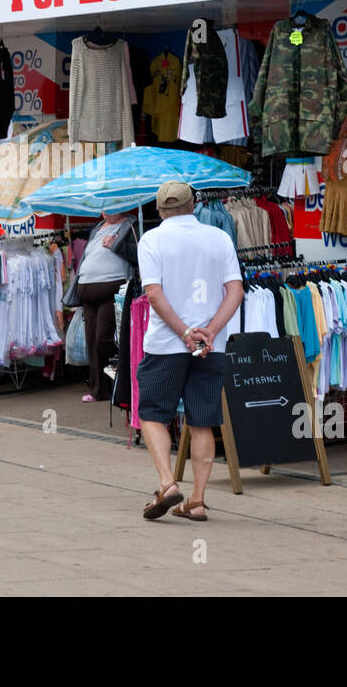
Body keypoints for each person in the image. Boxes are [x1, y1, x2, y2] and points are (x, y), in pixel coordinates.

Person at [135, 181, 243, 521]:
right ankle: (196, 500)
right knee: (202, 421)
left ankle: (167, 484)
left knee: (152, 414)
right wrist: (210, 330)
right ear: (193, 204)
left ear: (159, 209)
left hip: (167, 344)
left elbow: (154, 294)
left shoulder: (151, 239)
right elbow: (235, 291)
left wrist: (183, 332)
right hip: (211, 345)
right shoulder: (219, 238)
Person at [76, 211, 137, 402]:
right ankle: (99, 390)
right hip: (87, 291)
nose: (106, 211)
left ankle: (122, 376)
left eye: (111, 206)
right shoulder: (97, 227)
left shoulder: (130, 225)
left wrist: (115, 245)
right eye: (104, 208)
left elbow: (138, 254)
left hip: (113, 288)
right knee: (92, 342)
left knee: (103, 338)